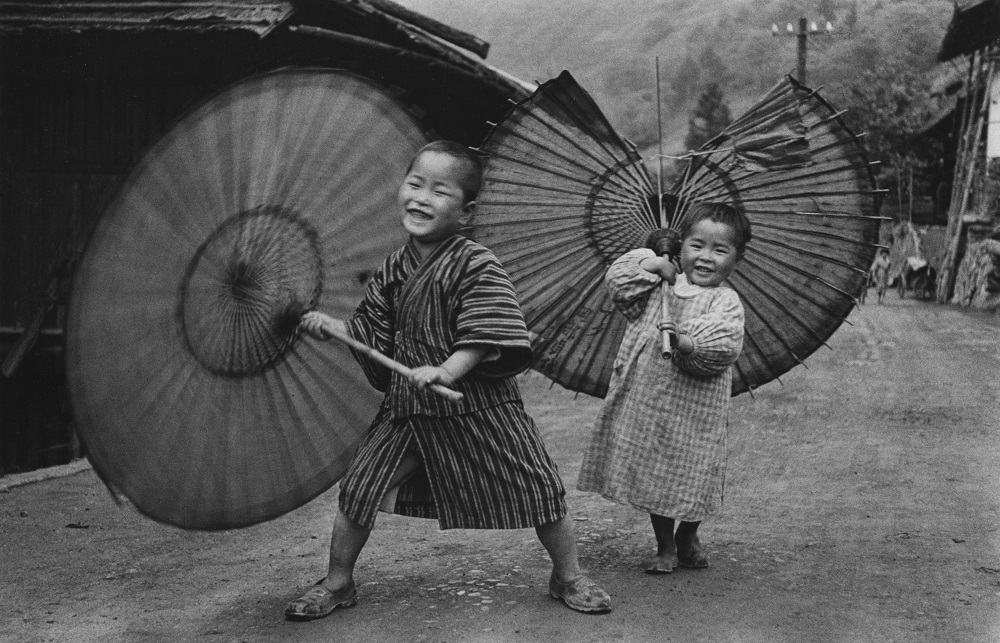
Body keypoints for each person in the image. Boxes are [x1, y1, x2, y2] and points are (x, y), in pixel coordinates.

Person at [285, 140, 611, 620]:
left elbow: (489, 330)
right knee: (359, 489)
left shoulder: (476, 262)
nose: (420, 198)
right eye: (414, 184)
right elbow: (373, 341)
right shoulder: (392, 271)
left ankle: (568, 575)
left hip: (478, 405)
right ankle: (338, 581)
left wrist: (447, 368)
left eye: (439, 191)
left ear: (468, 211)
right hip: (410, 409)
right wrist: (336, 330)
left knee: (541, 488)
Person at [577, 202, 750, 574]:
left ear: (737, 258)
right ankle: (666, 544)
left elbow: (726, 342)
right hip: (653, 402)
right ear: (682, 245)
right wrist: (652, 265)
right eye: (696, 245)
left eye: (720, 250)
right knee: (657, 470)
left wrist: (687, 342)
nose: (705, 258)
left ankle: (689, 533)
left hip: (697, 410)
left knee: (695, 471)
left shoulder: (724, 300)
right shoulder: (660, 285)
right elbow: (619, 283)